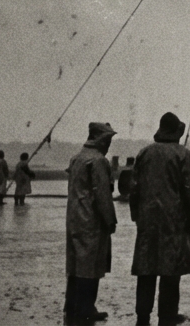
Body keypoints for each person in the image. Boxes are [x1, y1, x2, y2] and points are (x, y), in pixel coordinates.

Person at [130, 112, 190, 326]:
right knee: (171, 270)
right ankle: (167, 315)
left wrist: (136, 215)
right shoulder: (184, 155)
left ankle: (142, 316)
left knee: (146, 269)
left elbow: (134, 188)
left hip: (147, 220)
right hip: (175, 221)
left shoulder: (144, 153)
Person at [64, 122, 118, 325]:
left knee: (75, 265)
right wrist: (110, 220)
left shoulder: (76, 158)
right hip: (92, 221)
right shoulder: (98, 161)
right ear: (101, 139)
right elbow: (102, 195)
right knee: (91, 266)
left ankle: (71, 306)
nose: (109, 144)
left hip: (74, 218)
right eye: (108, 140)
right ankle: (87, 308)